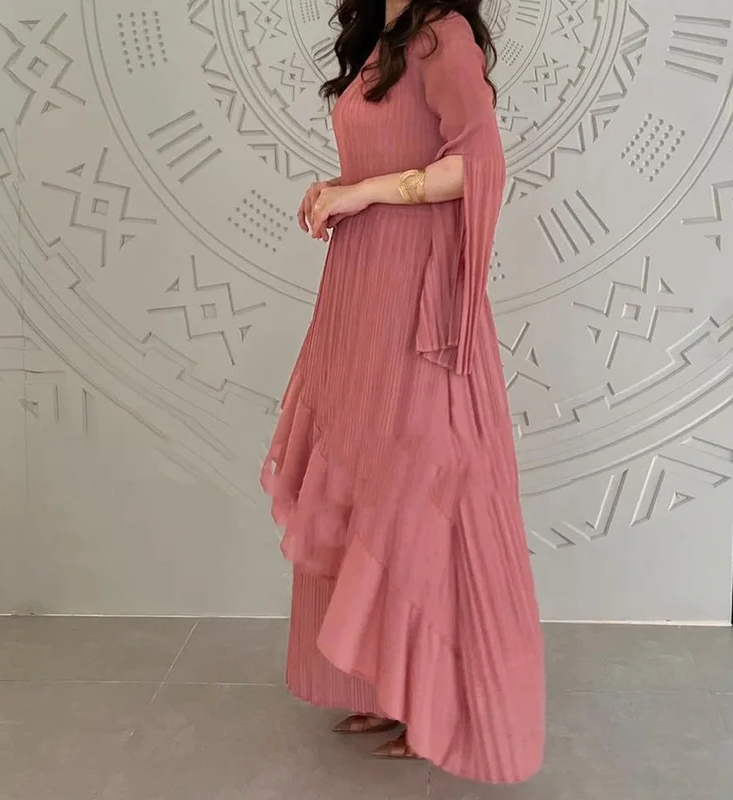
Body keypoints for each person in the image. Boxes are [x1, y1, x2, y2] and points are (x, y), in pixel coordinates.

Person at [261, 0, 544, 785]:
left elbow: (479, 165)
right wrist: (339, 188)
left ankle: (441, 703)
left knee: (425, 491)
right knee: (370, 483)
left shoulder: (440, 35)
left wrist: (368, 193)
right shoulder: (378, 39)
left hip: (418, 304)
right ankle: (387, 682)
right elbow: (389, 159)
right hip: (361, 295)